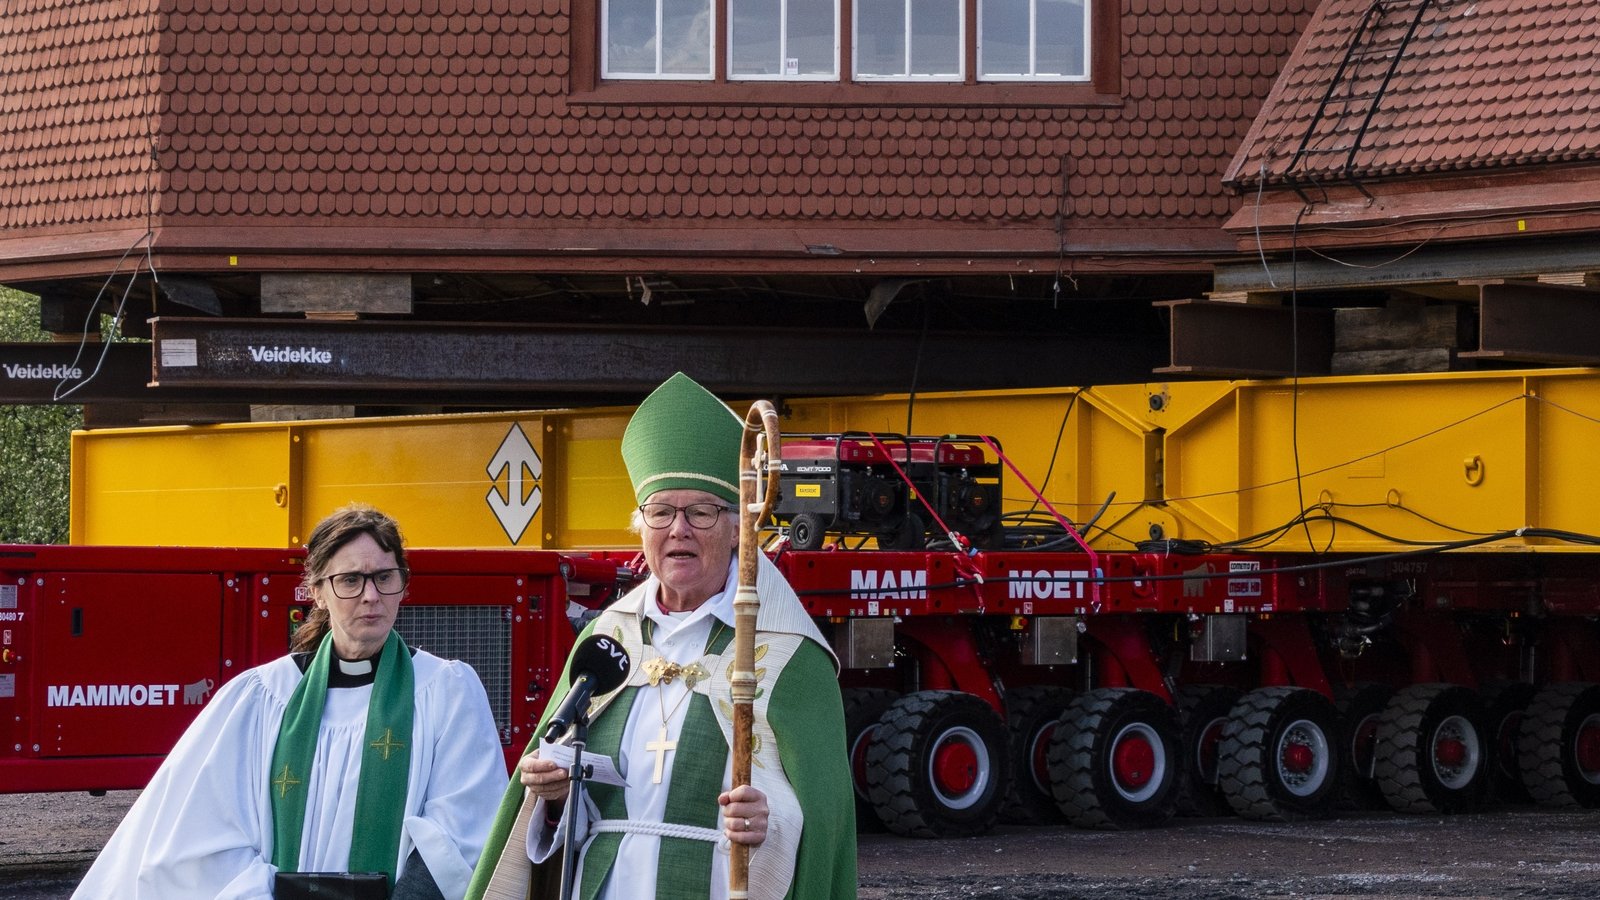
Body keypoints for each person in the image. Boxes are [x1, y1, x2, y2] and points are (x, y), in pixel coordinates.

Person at [467, 372, 857, 900]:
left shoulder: (790, 655)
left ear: (738, 528)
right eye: (661, 512)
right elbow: (562, 820)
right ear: (642, 527)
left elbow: (824, 822)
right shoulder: (609, 638)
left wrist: (770, 821)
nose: (679, 529)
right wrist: (555, 797)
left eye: (701, 512)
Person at [73, 504, 507, 900]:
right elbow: (206, 834)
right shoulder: (261, 697)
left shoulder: (445, 691)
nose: (371, 596)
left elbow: (463, 829)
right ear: (317, 592)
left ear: (402, 585)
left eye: (384, 577)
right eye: (350, 580)